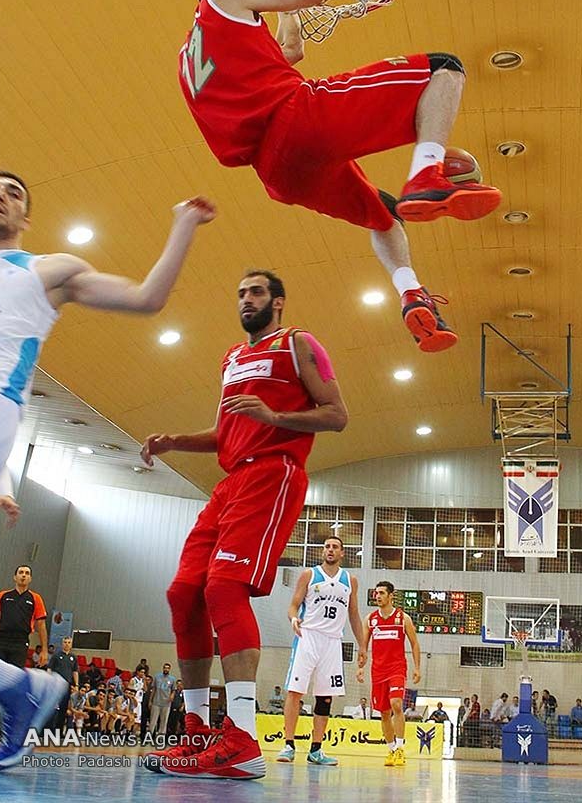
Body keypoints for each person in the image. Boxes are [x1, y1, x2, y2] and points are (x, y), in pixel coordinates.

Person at [0, 170, 215, 772]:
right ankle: (18, 688)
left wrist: (182, 226)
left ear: (26, 218)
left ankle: (19, 688)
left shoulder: (45, 271)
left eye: (12, 192)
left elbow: (146, 298)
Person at [178, 0, 502, 355]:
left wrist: (287, 8)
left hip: (278, 173)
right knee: (444, 68)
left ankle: (411, 293)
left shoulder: (191, 56)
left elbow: (291, 51)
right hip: (298, 120)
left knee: (385, 214)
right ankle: (427, 173)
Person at [140, 269, 347, 780]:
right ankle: (195, 732)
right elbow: (226, 431)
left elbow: (336, 415)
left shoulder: (299, 343)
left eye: (255, 291)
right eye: (240, 293)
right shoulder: (231, 357)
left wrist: (275, 416)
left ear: (278, 301)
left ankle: (243, 740)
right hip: (231, 482)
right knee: (184, 592)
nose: (245, 299)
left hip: (274, 473)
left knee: (224, 586)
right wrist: (175, 441)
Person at [276, 535, 365, 766]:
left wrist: (363, 645)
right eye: (327, 546)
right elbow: (293, 605)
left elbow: (354, 615)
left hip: (333, 642)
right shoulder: (309, 574)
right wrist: (293, 618)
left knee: (325, 697)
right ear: (323, 551)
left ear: (342, 553)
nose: (330, 550)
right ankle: (288, 745)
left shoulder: (350, 580)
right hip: (308, 637)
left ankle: (316, 750)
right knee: (295, 692)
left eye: (335, 547)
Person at [356, 580, 421, 768]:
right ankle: (391, 749)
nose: (377, 596)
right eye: (376, 593)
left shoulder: (403, 618)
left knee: (396, 704)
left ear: (391, 596)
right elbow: (363, 647)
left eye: (382, 593)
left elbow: (414, 644)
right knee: (384, 713)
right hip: (377, 671)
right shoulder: (370, 620)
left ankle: (400, 749)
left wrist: (417, 667)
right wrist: (360, 667)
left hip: (397, 668)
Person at [0, 566, 48, 669]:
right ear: (15, 577)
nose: (24, 575)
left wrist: (44, 650)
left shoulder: (36, 598)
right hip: (1, 640)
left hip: (20, 643)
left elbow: (41, 626)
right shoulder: (3, 595)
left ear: (30, 579)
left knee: (14, 676)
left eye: (27, 573)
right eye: (21, 572)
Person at [47, 636, 79, 734]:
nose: (67, 644)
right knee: (53, 707)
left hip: (67, 685)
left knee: (63, 708)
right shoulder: (56, 656)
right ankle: (49, 730)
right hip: (56, 685)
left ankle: (59, 731)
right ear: (62, 644)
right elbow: (49, 669)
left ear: (71, 644)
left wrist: (76, 684)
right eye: (65, 642)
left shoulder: (73, 657)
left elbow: (75, 671)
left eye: (69, 642)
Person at [149, 663, 177, 740]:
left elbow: (173, 690)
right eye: (165, 668)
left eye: (167, 668)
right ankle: (149, 736)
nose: (166, 669)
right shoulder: (157, 677)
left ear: (169, 669)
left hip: (166, 703)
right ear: (163, 668)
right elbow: (154, 689)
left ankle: (161, 737)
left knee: (164, 721)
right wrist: (150, 701)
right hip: (156, 702)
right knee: (153, 721)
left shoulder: (172, 679)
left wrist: (172, 696)